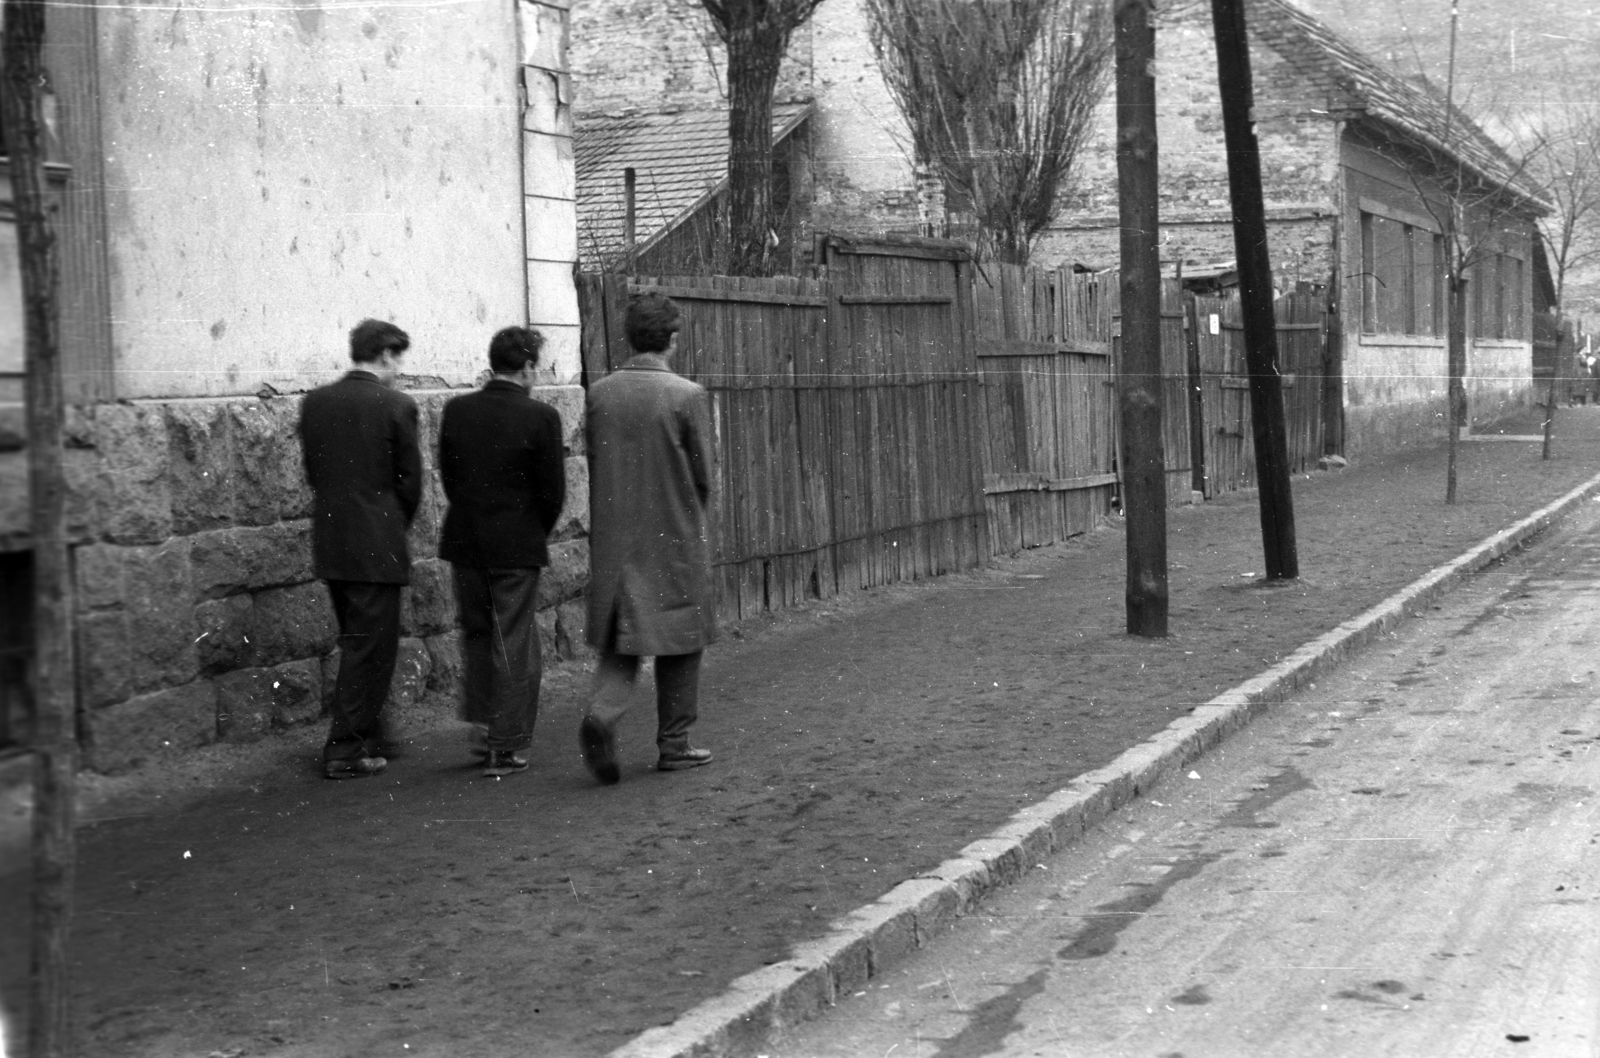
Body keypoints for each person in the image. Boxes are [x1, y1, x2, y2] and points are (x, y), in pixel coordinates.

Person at [579, 292, 716, 784]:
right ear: (672, 340)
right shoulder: (687, 395)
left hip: (616, 538)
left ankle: (602, 715)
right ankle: (674, 744)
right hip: (672, 534)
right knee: (682, 638)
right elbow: (704, 474)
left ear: (630, 338)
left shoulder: (600, 394)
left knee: (622, 639)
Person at [437, 326, 566, 778]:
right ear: (527, 367)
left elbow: (449, 477)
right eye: (537, 367)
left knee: (477, 634)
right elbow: (552, 493)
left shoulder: (457, 409)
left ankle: (482, 727)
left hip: (465, 540)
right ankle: (505, 745)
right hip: (516, 544)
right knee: (513, 641)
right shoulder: (541, 416)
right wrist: (531, 531)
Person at [299, 319, 421, 780]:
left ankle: (372, 734)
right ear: (385, 354)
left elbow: (314, 472)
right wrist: (391, 525)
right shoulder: (396, 405)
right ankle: (345, 749)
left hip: (332, 540)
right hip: (376, 542)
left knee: (359, 641)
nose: (400, 368)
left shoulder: (316, 402)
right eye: (398, 358)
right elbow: (410, 483)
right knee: (370, 649)